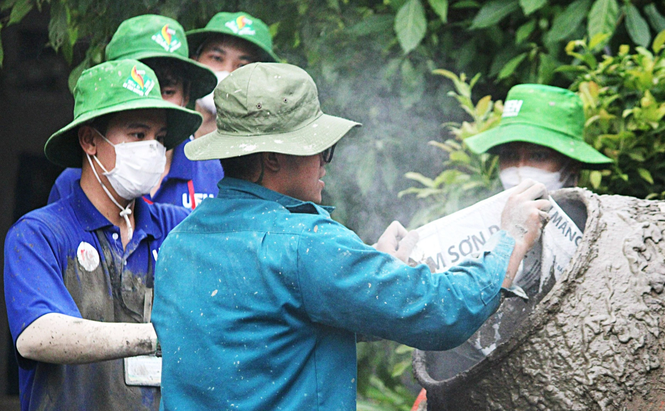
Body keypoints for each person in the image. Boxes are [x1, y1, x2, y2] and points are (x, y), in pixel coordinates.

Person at [151, 63, 550, 410]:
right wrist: (511, 239)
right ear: (271, 157)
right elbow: (443, 312)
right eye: (320, 150)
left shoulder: (179, 243)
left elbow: (266, 331)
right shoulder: (305, 243)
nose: (326, 162)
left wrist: (374, 265)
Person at [4, 59, 202, 411]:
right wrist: (154, 336)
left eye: (159, 138)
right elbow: (37, 336)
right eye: (138, 135)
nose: (153, 150)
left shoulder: (178, 227)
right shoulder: (39, 234)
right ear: (89, 141)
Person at [48, 14, 223, 209]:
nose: (153, 104)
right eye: (138, 88)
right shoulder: (74, 183)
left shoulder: (215, 176)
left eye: (166, 91)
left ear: (187, 95)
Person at [465, 84, 612, 192]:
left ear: (572, 164)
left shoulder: (598, 225)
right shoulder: (477, 227)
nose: (520, 168)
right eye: (509, 155)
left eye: (538, 156)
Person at [186, 11, 279, 137]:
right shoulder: (164, 142)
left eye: (242, 66)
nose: (227, 73)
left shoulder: (265, 154)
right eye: (217, 58)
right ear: (194, 62)